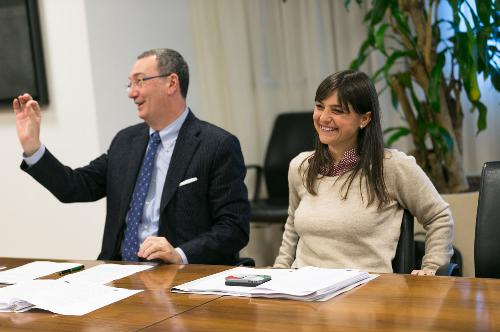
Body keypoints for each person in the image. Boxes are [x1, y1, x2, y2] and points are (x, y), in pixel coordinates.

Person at [13, 48, 250, 265]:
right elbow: (75, 187)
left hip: (179, 277)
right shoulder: (125, 142)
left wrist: (179, 254)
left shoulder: (217, 145)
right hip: (116, 273)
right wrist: (33, 148)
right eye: (129, 83)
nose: (131, 92)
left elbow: (233, 228)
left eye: (139, 81)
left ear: (171, 83)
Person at [273, 70, 454, 275]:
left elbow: (439, 216)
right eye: (319, 106)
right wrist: (279, 272)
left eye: (337, 110)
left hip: (365, 294)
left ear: (365, 119)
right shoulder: (301, 166)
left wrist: (431, 269)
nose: (324, 117)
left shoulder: (392, 166)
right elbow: (292, 227)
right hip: (304, 291)